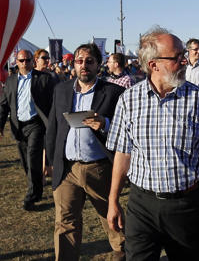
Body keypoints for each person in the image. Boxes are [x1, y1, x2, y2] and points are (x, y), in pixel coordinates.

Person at [106, 27, 199, 261]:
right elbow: (123, 155)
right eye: (177, 57)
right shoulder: (128, 101)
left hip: (187, 206)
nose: (184, 61)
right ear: (153, 65)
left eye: (184, 55)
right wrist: (113, 200)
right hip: (142, 206)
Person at [45, 43, 126, 260]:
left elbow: (128, 129)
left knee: (111, 217)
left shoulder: (113, 92)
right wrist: (49, 158)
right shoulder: (61, 89)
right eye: (79, 61)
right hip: (67, 169)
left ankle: (124, 253)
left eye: (89, 61)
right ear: (74, 64)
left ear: (99, 65)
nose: (84, 66)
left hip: (100, 168)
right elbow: (53, 126)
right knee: (65, 222)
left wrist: (106, 124)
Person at [0, 49, 54, 211]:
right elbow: (4, 105)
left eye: (27, 60)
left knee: (33, 158)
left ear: (32, 61)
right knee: (25, 161)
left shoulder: (44, 79)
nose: (24, 63)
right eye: (21, 61)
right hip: (18, 126)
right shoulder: (11, 81)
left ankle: (31, 196)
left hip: (36, 124)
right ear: (16, 62)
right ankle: (37, 190)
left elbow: (53, 102)